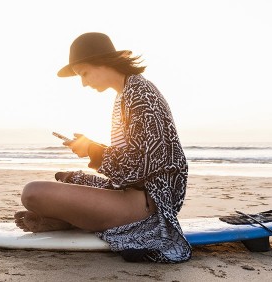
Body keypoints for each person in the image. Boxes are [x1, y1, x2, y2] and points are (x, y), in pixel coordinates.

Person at [14, 32, 191, 263]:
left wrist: (91, 150)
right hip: (132, 193)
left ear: (103, 62)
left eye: (84, 73)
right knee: (69, 179)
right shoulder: (126, 93)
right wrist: (92, 147)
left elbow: (142, 165)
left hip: (150, 203)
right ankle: (66, 221)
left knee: (33, 193)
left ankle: (67, 221)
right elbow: (136, 156)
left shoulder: (140, 95)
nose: (84, 83)